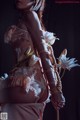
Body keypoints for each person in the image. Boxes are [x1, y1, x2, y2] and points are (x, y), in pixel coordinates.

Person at [0, 0, 65, 120]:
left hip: (31, 85)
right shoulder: (26, 19)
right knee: (5, 113)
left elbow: (43, 53)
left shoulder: (30, 15)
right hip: (28, 85)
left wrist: (55, 90)